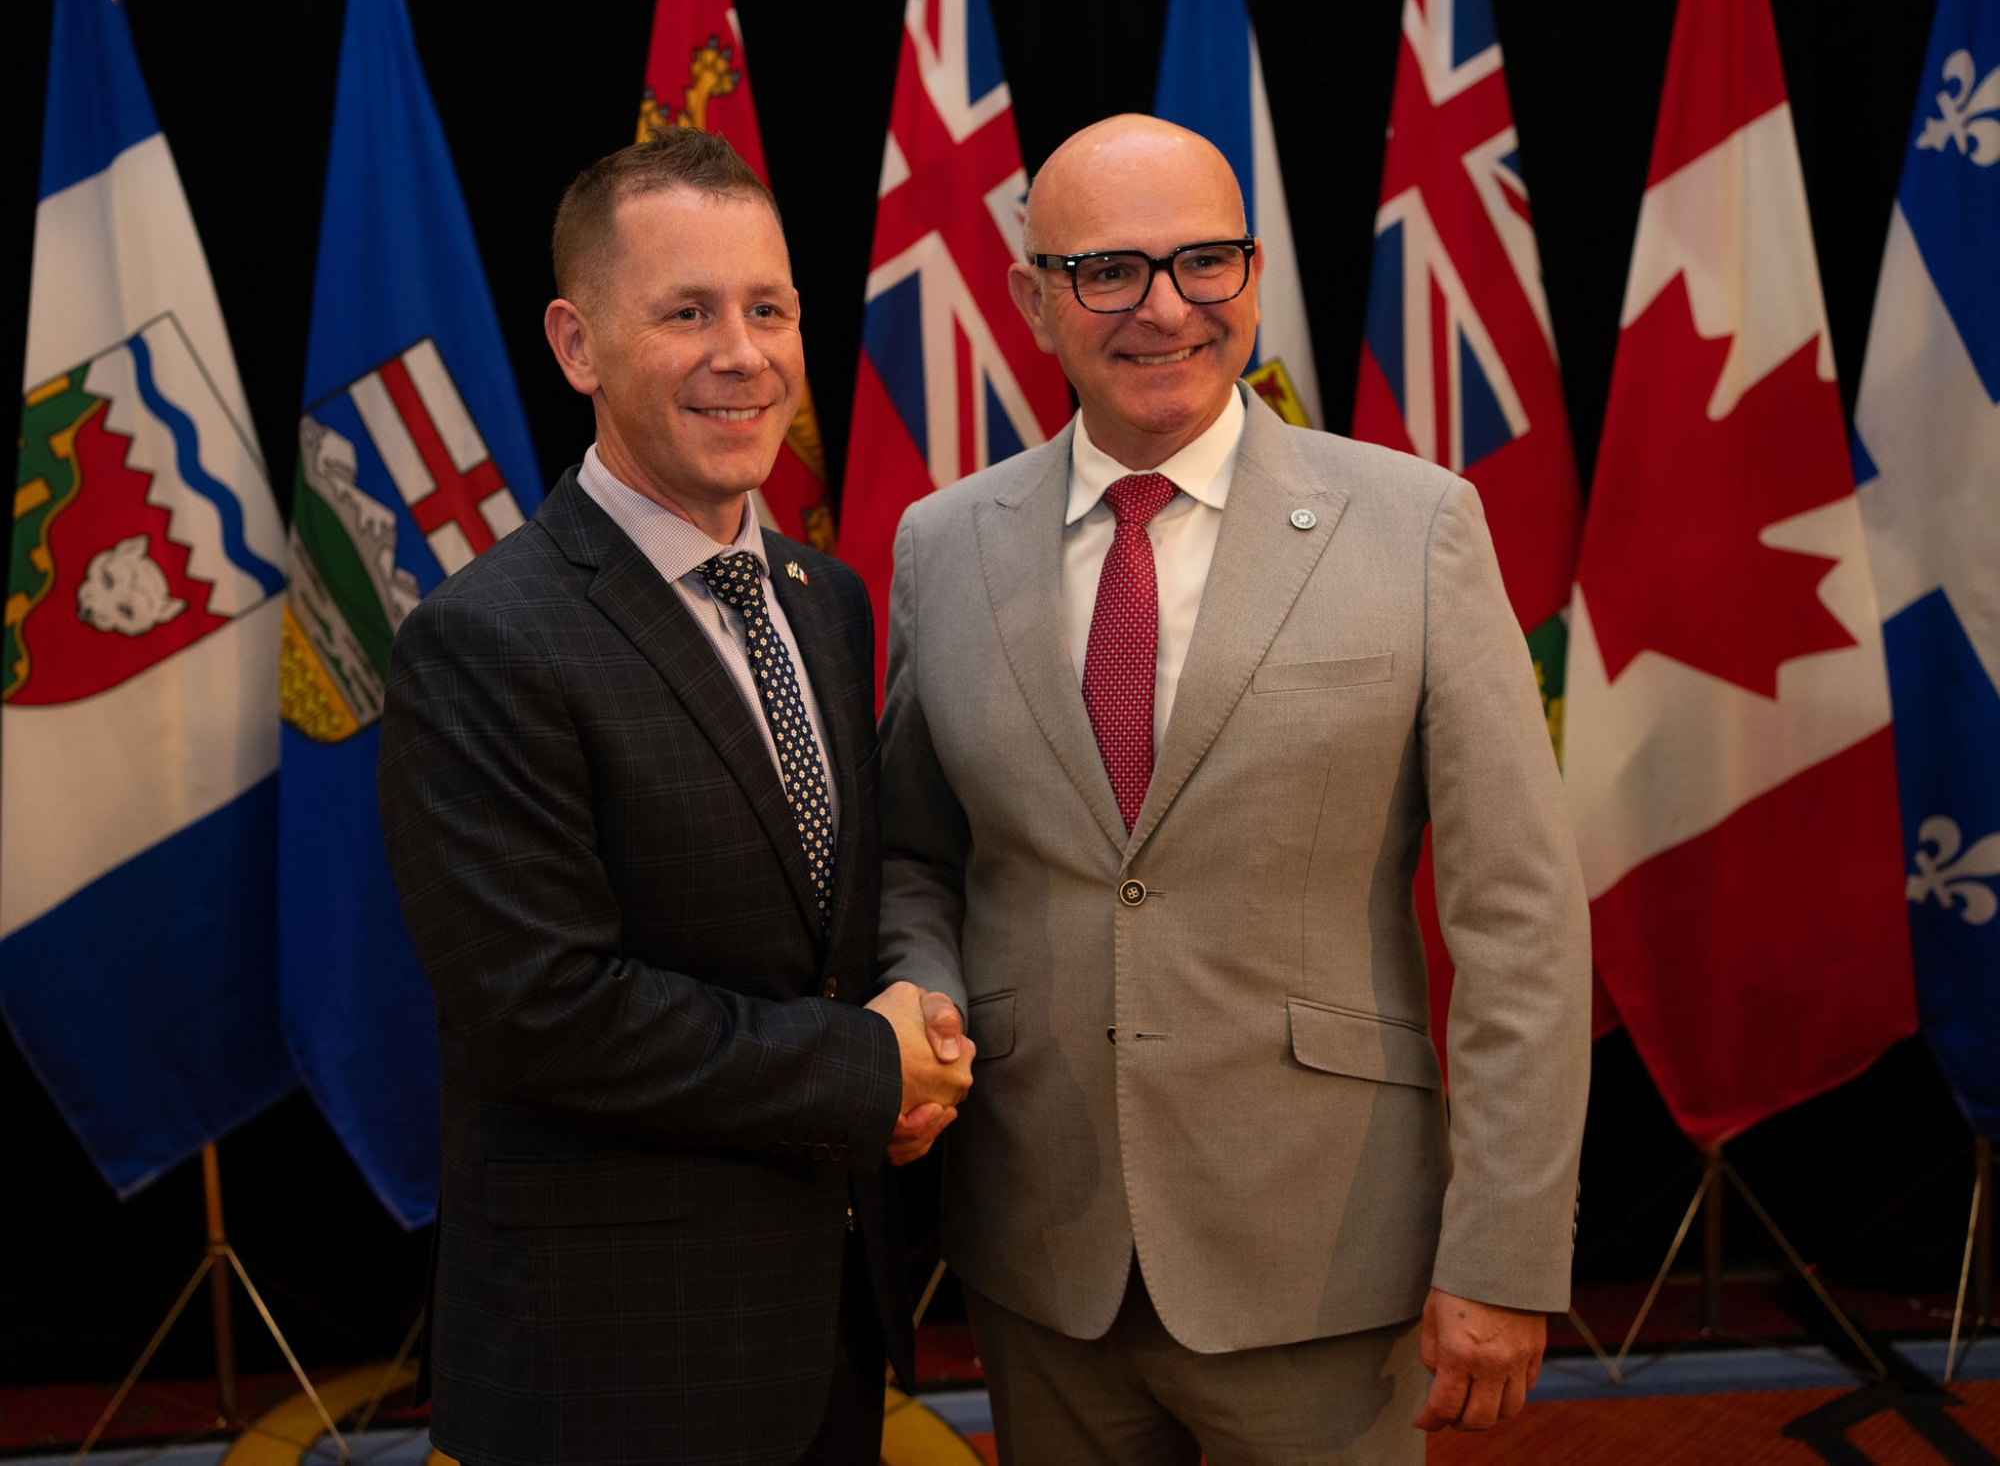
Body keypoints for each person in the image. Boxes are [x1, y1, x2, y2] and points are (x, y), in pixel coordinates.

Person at [876, 113, 1590, 1464]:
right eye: (1111, 273)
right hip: (1044, 1258)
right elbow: (917, 857)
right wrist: (924, 997)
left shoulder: (1418, 525)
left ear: (1253, 277)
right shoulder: (943, 546)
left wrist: (1502, 1253)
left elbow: (1522, 927)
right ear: (1035, 299)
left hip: (1322, 1258)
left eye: (1207, 262)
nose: (1167, 309)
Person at [377, 129, 971, 1466]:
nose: (741, 352)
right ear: (579, 346)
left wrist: (920, 1020)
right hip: (616, 1365)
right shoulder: (486, 640)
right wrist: (867, 1068)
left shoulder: (828, 601)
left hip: (826, 1326)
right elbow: (546, 1013)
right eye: (686, 312)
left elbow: (835, 928)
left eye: (768, 309)